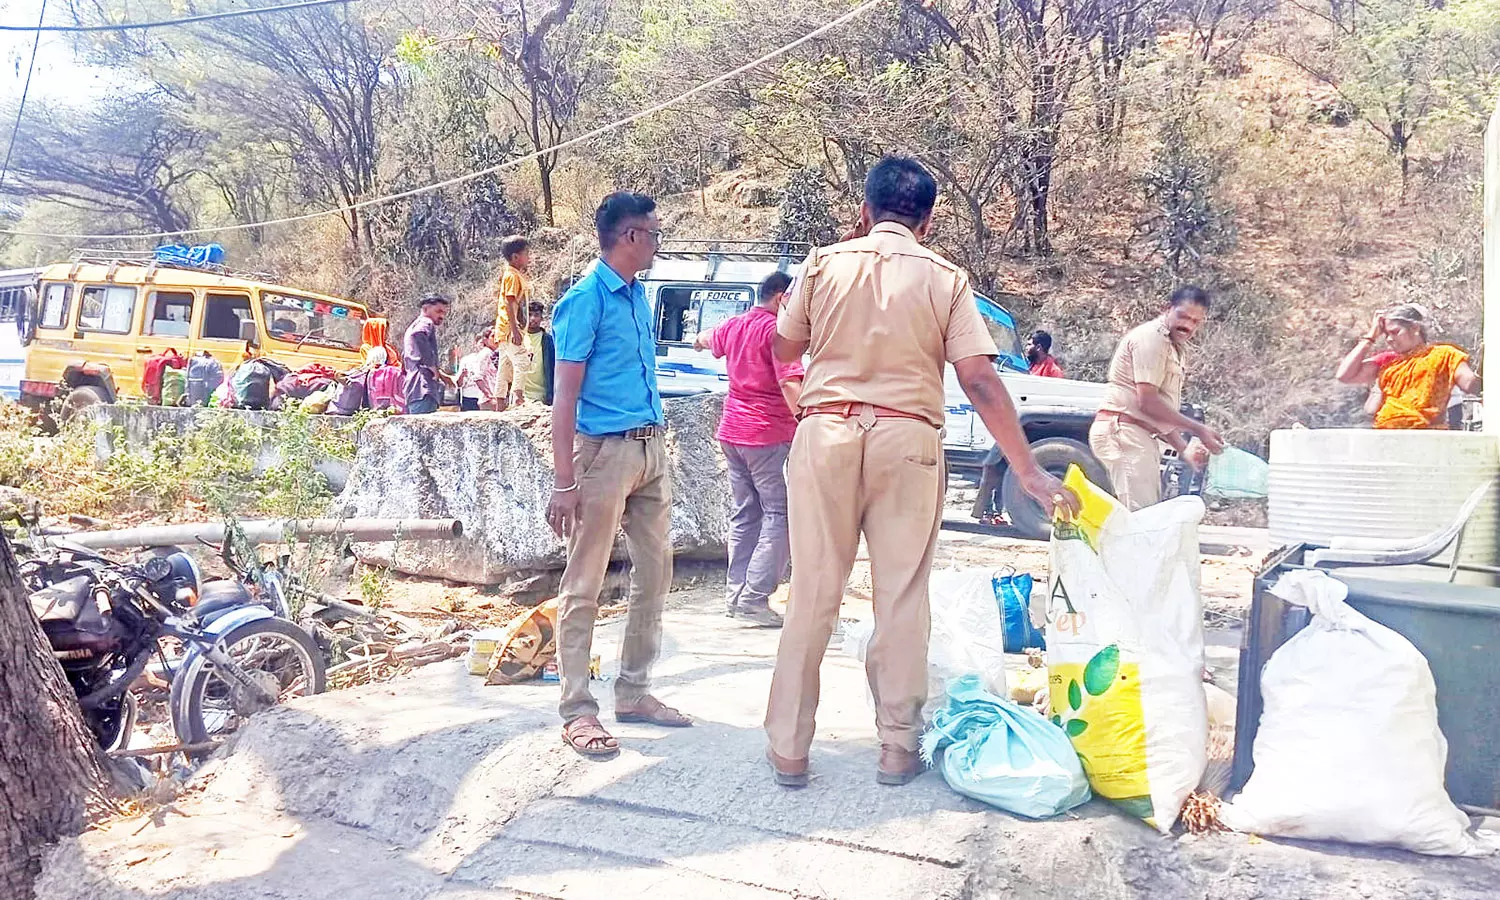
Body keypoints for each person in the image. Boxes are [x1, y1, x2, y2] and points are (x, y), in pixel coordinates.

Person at [763, 156, 1081, 789]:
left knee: (813, 596)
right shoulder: (947, 280)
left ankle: (791, 750)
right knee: (902, 598)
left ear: (864, 209)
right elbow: (980, 377)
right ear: (928, 221)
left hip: (826, 434)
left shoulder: (823, 264)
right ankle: (897, 749)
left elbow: (783, 345)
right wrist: (1029, 472)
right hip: (908, 441)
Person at [546, 192, 689, 758]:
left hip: (650, 450)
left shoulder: (637, 297)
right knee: (583, 584)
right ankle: (578, 709)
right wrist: (565, 481)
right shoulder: (584, 301)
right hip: (603, 455)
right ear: (630, 237)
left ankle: (633, 692)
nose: (658, 242)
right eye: (653, 233)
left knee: (655, 576)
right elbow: (564, 396)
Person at [693, 270, 804, 629]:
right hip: (766, 434)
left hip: (732, 434)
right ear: (781, 298)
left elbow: (705, 338)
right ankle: (754, 599)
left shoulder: (735, 324)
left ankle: (735, 594)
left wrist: (699, 341)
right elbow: (790, 381)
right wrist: (810, 421)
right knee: (780, 514)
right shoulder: (778, 333)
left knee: (745, 513)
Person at [1089, 286, 1225, 511]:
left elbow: (1156, 413)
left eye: (1195, 321)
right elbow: (1148, 402)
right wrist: (1199, 429)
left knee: (1144, 516)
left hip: (1138, 434)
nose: (1187, 325)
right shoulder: (1152, 339)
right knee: (1141, 520)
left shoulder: (1174, 346)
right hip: (1124, 433)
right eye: (1183, 316)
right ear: (1167, 309)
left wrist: (1184, 449)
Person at [1335, 303, 1480, 429]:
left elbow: (1471, 384)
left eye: (1395, 332)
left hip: (1426, 436)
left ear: (1415, 328)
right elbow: (1344, 376)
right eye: (1385, 334)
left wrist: (1486, 365)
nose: (1389, 339)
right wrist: (1370, 337)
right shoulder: (1388, 361)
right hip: (1385, 436)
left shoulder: (1445, 354)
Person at [495, 235, 536, 409]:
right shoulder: (511, 275)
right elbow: (510, 301)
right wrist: (515, 329)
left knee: (504, 366)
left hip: (505, 328)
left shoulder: (514, 275)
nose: (529, 257)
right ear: (515, 257)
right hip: (510, 327)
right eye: (526, 253)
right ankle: (518, 396)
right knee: (521, 361)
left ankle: (500, 401)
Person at [402, 295, 455, 415]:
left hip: (414, 389)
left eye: (444, 313)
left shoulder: (412, 326)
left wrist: (441, 375)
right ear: (426, 309)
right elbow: (419, 334)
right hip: (423, 387)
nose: (442, 316)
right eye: (438, 311)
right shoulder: (426, 322)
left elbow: (410, 357)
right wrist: (431, 366)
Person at [456, 329, 500, 411]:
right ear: (485, 340)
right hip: (480, 398)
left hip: (491, 396)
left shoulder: (494, 354)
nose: (496, 339)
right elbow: (477, 377)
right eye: (493, 336)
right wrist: (489, 396)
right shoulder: (485, 354)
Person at [522, 300, 555, 405]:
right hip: (521, 395)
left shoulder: (549, 340)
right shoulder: (519, 338)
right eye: (529, 315)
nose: (532, 319)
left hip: (542, 396)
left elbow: (554, 367)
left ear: (541, 317)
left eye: (536, 315)